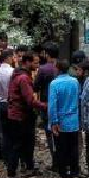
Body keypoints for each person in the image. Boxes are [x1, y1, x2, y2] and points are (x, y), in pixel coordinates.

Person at [4, 54, 46, 178]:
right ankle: (11, 175)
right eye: (35, 62)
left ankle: (27, 168)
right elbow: (30, 100)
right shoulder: (23, 78)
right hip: (20, 116)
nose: (37, 65)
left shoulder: (16, 75)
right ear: (27, 62)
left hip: (15, 115)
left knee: (23, 144)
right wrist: (46, 105)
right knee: (17, 146)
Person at [47, 59, 82, 178]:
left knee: (61, 148)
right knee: (73, 147)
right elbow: (78, 98)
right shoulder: (75, 82)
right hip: (73, 120)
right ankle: (74, 171)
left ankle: (63, 173)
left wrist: (54, 121)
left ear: (57, 69)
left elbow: (52, 105)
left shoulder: (54, 84)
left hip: (60, 121)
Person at [35, 43, 61, 171]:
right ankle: (64, 159)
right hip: (62, 105)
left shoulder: (43, 69)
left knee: (50, 132)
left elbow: (36, 86)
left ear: (46, 54)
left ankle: (56, 160)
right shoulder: (61, 67)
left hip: (47, 104)